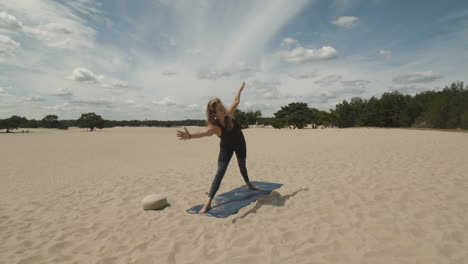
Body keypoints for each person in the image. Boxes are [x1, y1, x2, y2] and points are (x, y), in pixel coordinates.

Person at [176, 81, 260, 214]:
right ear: (214, 114)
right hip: (226, 148)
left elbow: (236, 100)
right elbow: (204, 133)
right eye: (220, 109)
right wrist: (190, 136)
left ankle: (248, 183)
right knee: (220, 172)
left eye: (223, 107)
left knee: (242, 164)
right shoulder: (215, 127)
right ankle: (208, 202)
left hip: (240, 143)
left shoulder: (230, 114)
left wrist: (240, 90)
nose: (224, 109)